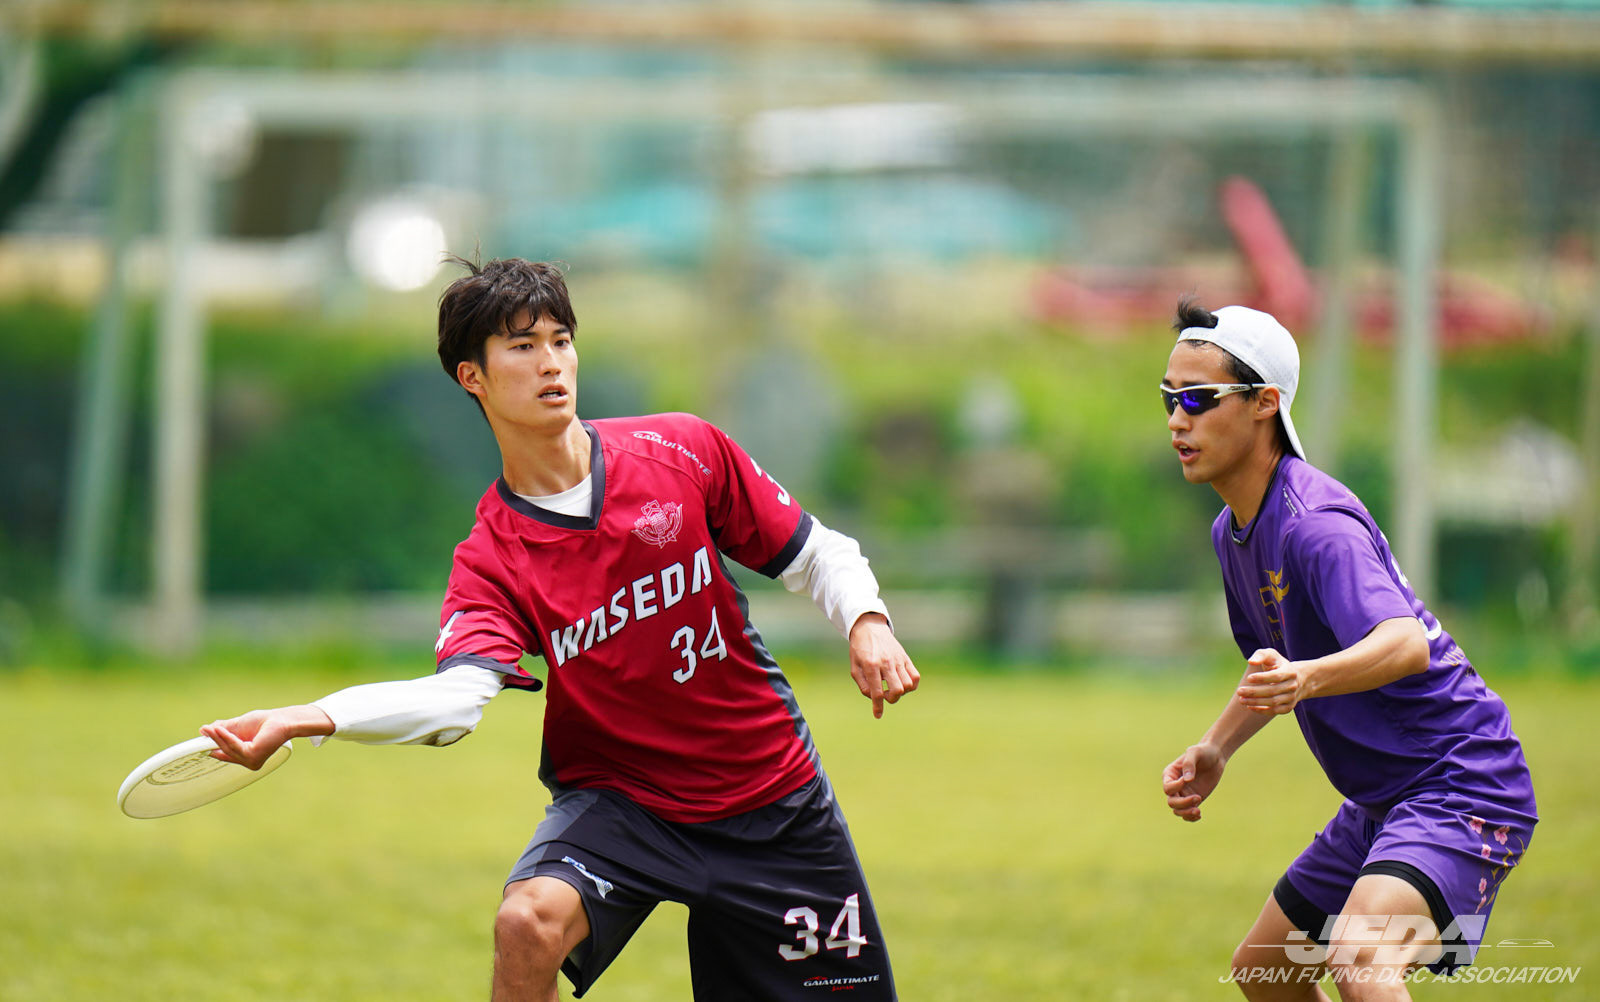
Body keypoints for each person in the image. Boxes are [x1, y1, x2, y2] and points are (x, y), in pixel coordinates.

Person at [201, 257, 919, 1001]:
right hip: (626, 803)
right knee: (527, 924)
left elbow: (817, 552)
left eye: (561, 340)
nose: (551, 363)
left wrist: (867, 621)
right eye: (522, 346)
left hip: (767, 795)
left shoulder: (682, 451)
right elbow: (453, 703)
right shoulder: (492, 556)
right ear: (472, 377)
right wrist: (306, 718)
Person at [1156, 298, 1536, 1001]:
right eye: (1170, 398)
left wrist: (1304, 679)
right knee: (1267, 972)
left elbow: (1403, 644)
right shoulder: (1233, 531)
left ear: (1265, 402)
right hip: (1381, 801)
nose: (1179, 419)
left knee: (1361, 959)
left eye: (1200, 398)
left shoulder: (1314, 525)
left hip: (1460, 783)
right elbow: (1275, 669)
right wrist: (1216, 748)